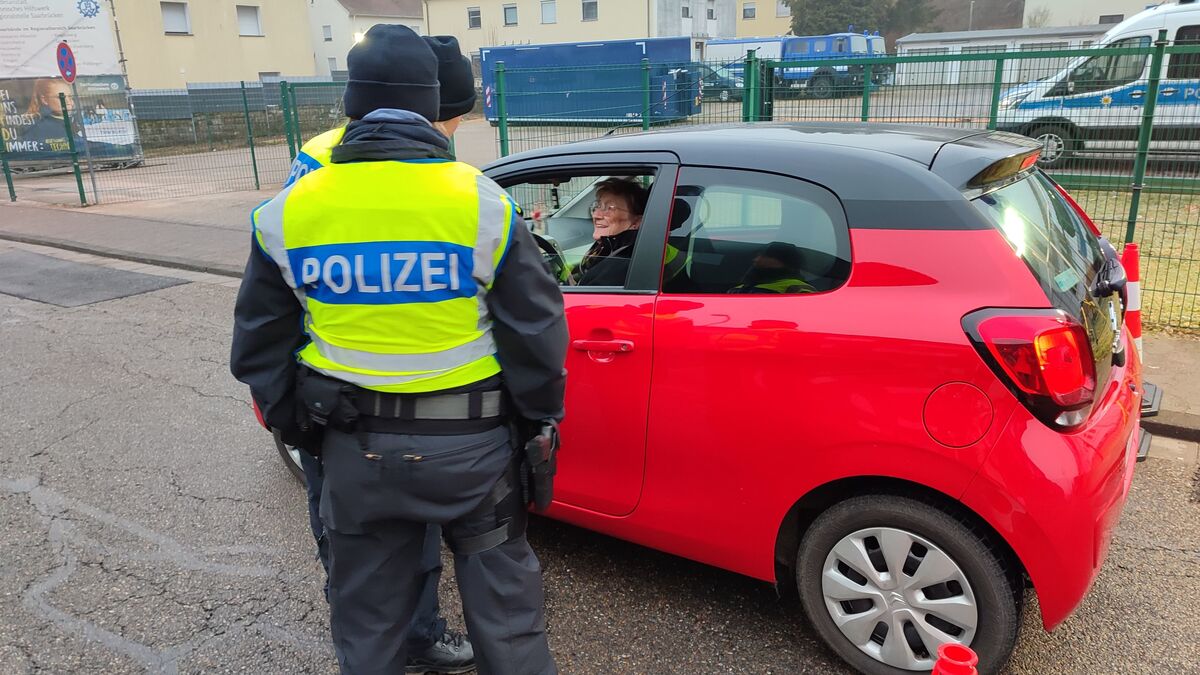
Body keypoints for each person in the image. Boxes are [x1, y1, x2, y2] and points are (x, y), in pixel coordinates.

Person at [230, 24, 566, 675]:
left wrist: (305, 427)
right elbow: (537, 334)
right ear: (430, 104)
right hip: (476, 452)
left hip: (356, 454)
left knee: (369, 627)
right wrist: (534, 422)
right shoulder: (482, 203)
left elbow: (257, 348)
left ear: (352, 105)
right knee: (509, 623)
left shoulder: (287, 211)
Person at [278, 34, 482, 674]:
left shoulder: (330, 156)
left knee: (379, 528)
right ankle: (396, 636)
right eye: (452, 117)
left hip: (354, 393)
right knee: (368, 536)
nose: (453, 130)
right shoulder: (335, 165)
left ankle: (393, 630)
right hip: (348, 393)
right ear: (427, 106)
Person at [568, 177, 648, 286]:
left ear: (637, 222)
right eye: (598, 206)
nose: (596, 215)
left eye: (610, 208)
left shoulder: (620, 264)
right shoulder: (611, 248)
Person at [729, 241, 815, 294]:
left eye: (765, 256)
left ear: (782, 260)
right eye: (758, 255)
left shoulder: (798, 288)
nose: (756, 260)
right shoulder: (738, 289)